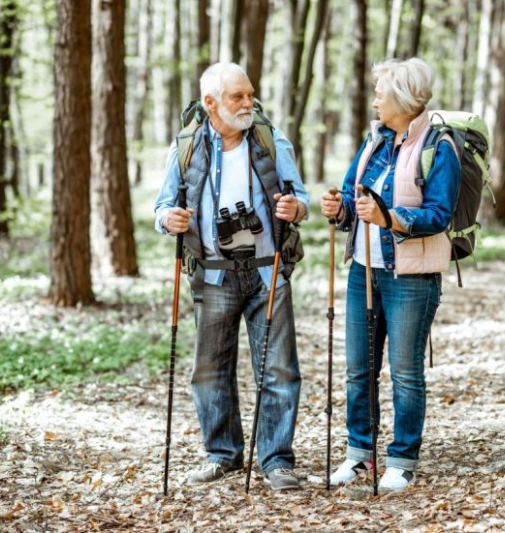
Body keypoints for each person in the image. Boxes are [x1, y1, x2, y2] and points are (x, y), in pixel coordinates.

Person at [154, 62, 309, 492]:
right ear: (210, 102)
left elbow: (302, 197)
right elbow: (160, 209)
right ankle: (222, 454)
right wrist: (172, 219)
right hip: (214, 275)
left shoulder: (270, 139)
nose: (248, 103)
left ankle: (276, 461)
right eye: (238, 96)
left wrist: (295, 208)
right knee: (209, 371)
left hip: (268, 271)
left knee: (278, 370)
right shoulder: (186, 147)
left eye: (250, 94)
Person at [320, 58, 459, 492]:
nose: (375, 99)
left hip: (411, 278)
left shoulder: (441, 146)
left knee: (405, 371)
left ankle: (401, 460)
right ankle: (358, 455)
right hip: (364, 270)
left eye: (381, 91)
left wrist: (389, 218)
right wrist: (339, 207)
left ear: (402, 98)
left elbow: (438, 214)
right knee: (359, 370)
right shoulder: (374, 141)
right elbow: (351, 194)